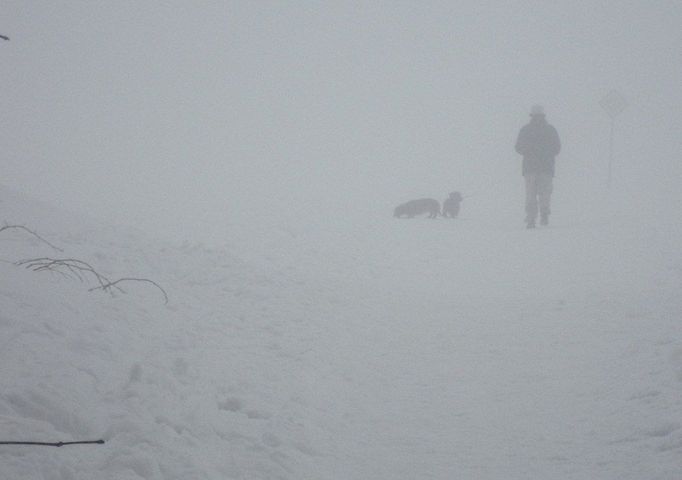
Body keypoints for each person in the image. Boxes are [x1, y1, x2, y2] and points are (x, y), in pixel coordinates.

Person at [515, 105, 561, 228]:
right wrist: (546, 152)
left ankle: (531, 218)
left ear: (531, 116)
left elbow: (518, 147)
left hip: (530, 168)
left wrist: (529, 151)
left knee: (530, 194)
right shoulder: (550, 130)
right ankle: (544, 215)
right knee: (545, 193)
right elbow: (557, 148)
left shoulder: (525, 130)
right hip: (546, 168)